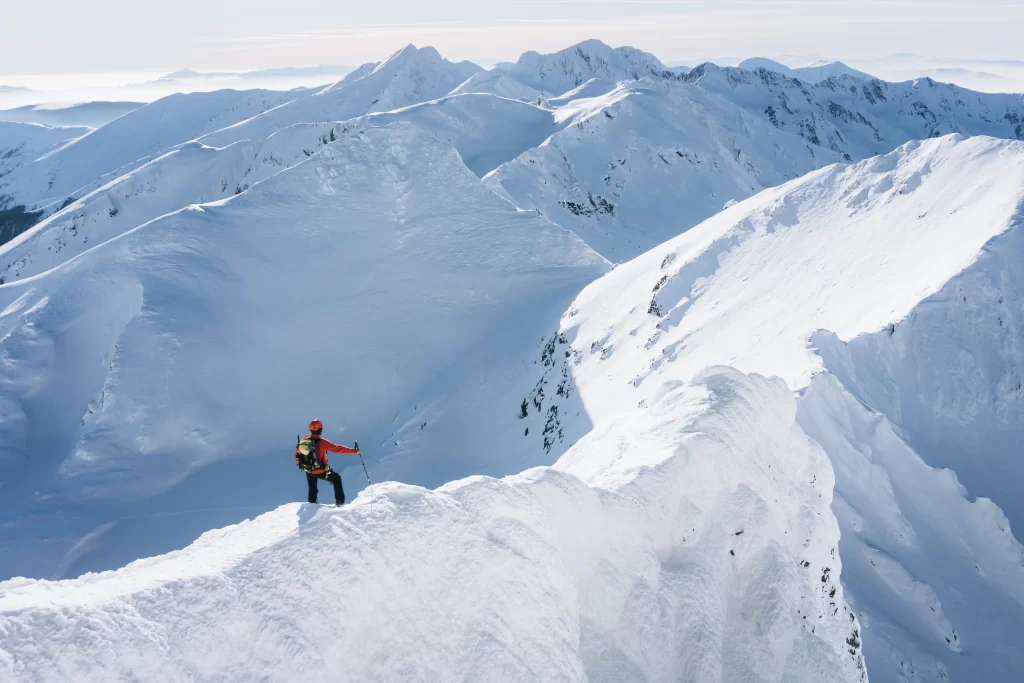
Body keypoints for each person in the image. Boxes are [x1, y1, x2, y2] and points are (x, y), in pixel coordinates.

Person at [295, 419, 361, 505]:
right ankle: (340, 503)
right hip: (321, 470)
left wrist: (305, 465)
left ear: (310, 430)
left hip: (308, 470)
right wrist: (354, 451)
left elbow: (296, 455)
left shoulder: (304, 440)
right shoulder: (323, 442)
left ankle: (312, 505)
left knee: (312, 488)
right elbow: (338, 449)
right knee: (337, 479)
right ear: (320, 430)